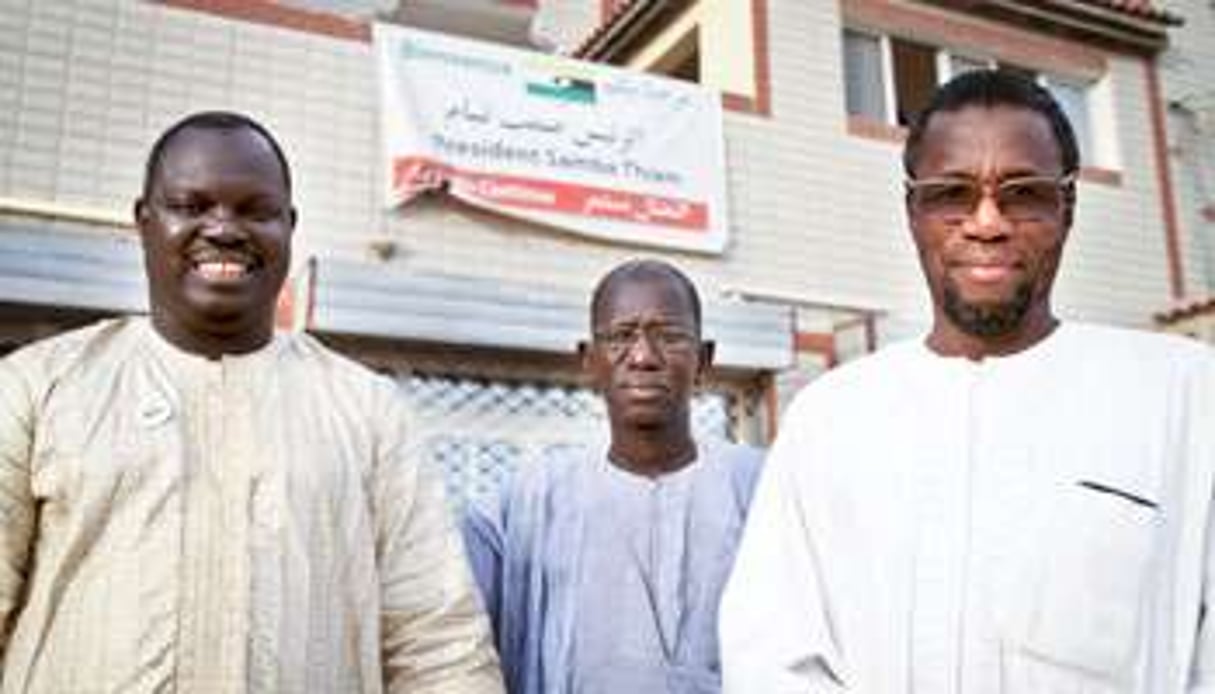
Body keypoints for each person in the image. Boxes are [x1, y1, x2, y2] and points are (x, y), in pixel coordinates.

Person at [719, 70, 1215, 693]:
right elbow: (772, 653)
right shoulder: (832, 419)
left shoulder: (1181, 397)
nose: (986, 223)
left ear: (1066, 208)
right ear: (913, 211)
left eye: (1024, 193)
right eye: (952, 193)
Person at [0, 112, 504, 693]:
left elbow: (439, 642)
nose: (223, 229)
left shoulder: (368, 412)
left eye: (254, 211)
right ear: (144, 222)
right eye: (191, 206)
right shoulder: (41, 388)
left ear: (289, 227)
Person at [462, 259, 764, 693]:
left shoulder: (763, 490)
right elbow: (448, 639)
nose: (643, 357)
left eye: (671, 337)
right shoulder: (523, 506)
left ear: (704, 361)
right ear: (590, 362)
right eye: (621, 336)